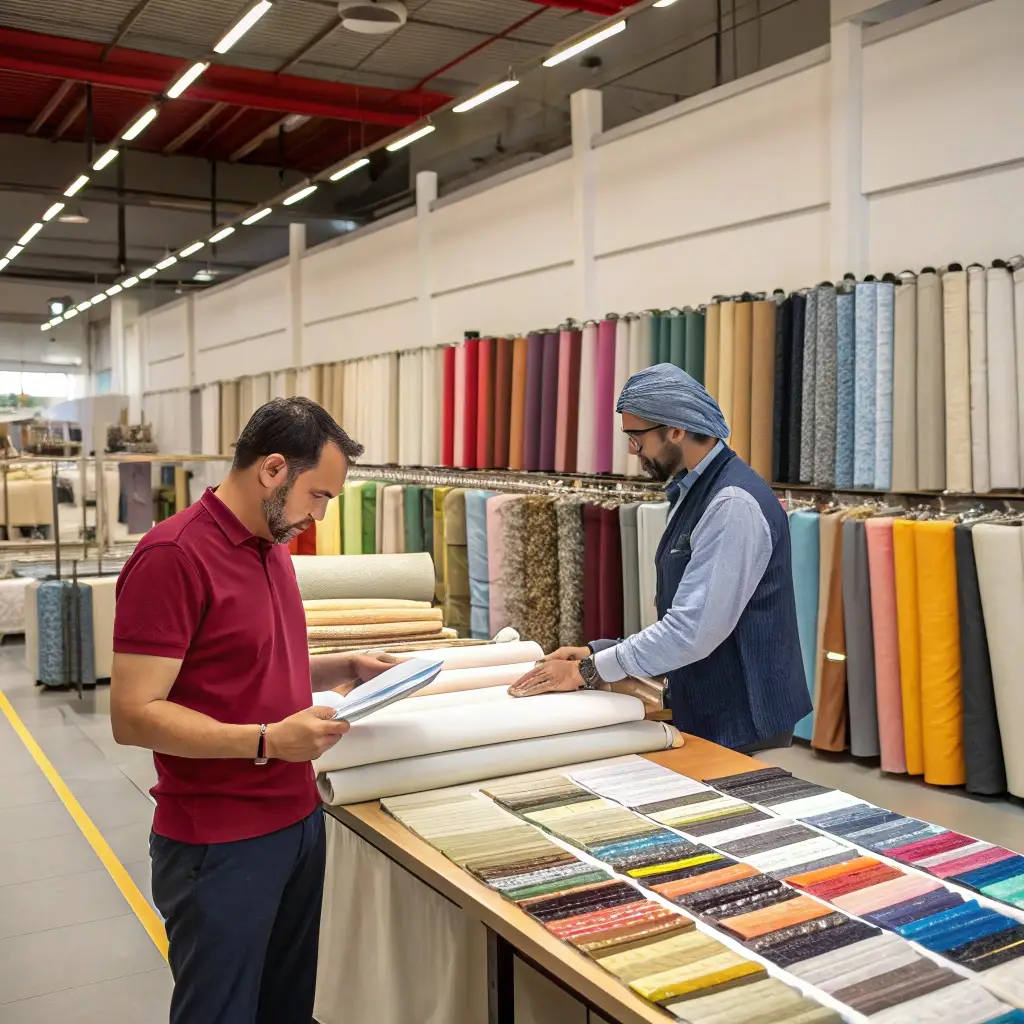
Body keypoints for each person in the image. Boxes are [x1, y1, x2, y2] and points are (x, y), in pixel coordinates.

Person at [110, 397, 393, 1024]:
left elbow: (247, 662)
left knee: (286, 1008)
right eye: (318, 496)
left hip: (296, 822)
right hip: (220, 842)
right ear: (272, 470)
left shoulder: (271, 545)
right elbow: (133, 713)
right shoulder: (174, 556)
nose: (318, 516)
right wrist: (267, 741)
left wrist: (342, 667)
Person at [510, 364, 811, 753]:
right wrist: (598, 651)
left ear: (676, 430)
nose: (632, 451)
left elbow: (691, 631)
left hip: (742, 718)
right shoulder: (696, 490)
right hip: (717, 704)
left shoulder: (731, 504)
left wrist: (587, 671)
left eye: (636, 437)